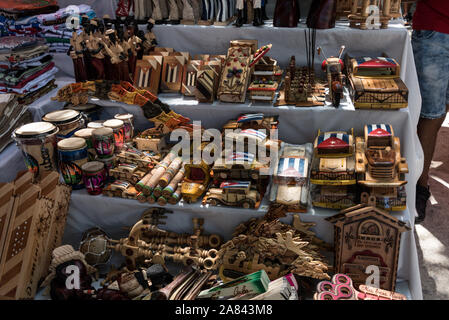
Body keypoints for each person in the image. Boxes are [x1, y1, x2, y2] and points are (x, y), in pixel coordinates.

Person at [412, 0, 449, 223]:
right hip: (435, 30)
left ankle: (420, 180)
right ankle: (419, 186)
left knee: (438, 111)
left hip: (434, 30)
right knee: (430, 114)